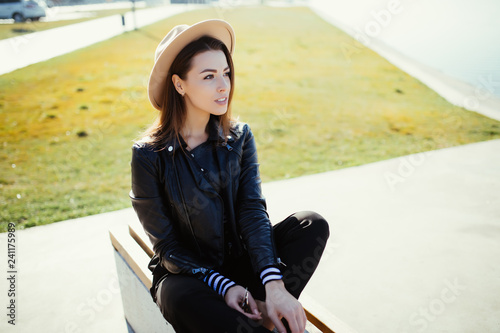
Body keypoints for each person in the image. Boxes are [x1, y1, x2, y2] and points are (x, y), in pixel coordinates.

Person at [130, 19, 330, 333]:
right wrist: (224, 286)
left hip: (241, 265)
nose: (224, 86)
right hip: (189, 277)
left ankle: (264, 307)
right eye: (208, 76)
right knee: (175, 297)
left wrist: (275, 285)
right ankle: (255, 317)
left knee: (311, 224)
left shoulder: (239, 138)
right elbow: (166, 245)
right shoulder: (147, 156)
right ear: (179, 84)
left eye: (226, 73)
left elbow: (252, 210)